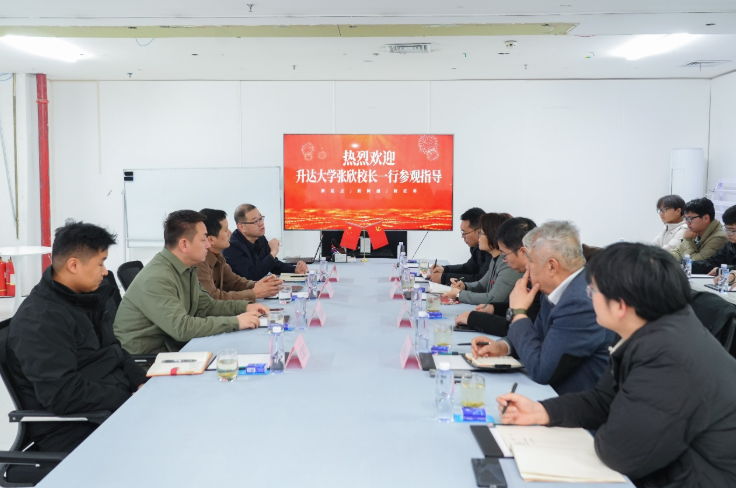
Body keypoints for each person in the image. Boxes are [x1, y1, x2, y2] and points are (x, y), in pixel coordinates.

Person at [496, 243, 736, 488]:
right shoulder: (650, 327)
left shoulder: (669, 357)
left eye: (593, 290)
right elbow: (603, 399)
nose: (589, 296)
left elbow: (620, 452)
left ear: (620, 306)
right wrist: (542, 411)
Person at [7, 222, 147, 453]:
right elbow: (64, 394)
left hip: (109, 412)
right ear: (73, 265)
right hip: (77, 429)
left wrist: (142, 383)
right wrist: (127, 398)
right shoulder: (40, 319)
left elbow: (115, 351)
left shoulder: (84, 300)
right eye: (100, 263)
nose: (105, 272)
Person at [470, 221, 615, 394]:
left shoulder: (581, 302)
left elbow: (542, 370)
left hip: (570, 400)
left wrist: (518, 313)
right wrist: (504, 347)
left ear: (552, 266)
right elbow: (537, 336)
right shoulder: (555, 289)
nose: (527, 267)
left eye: (530, 260)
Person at [114, 210, 268, 355]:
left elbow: (207, 306)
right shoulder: (157, 278)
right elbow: (181, 328)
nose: (208, 245)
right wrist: (235, 322)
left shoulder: (187, 268)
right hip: (150, 360)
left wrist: (245, 307)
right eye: (203, 239)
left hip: (174, 348)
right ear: (184, 245)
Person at [455, 217, 541, 336]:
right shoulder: (530, 276)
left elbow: (520, 326)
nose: (504, 260)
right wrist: (494, 308)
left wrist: (474, 318)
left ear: (523, 252)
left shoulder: (539, 283)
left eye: (504, 254)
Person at [198, 208, 282, 300]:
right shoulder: (199, 262)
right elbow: (212, 298)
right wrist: (254, 293)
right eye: (225, 230)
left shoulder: (218, 256)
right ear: (211, 239)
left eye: (261, 219)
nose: (230, 233)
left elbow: (234, 282)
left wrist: (261, 285)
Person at [443, 213, 522, 305]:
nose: (478, 238)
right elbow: (482, 285)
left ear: (493, 235)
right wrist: (464, 286)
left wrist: (459, 294)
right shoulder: (495, 259)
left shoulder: (508, 263)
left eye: (481, 233)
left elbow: (492, 298)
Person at [222, 204, 308, 280]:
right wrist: (273, 252)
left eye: (261, 218)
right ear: (241, 227)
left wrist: (294, 269)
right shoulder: (231, 246)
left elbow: (273, 264)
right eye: (256, 221)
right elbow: (252, 276)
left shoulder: (260, 238)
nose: (261, 223)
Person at [429, 207, 489, 285]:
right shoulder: (476, 248)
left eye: (465, 233)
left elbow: (480, 280)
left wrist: (443, 278)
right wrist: (444, 269)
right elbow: (467, 268)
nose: (462, 236)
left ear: (479, 232)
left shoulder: (490, 250)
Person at [669, 197, 727, 262]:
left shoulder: (719, 238)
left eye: (690, 218)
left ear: (706, 218)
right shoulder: (695, 232)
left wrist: (687, 240)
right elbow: (677, 252)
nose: (687, 222)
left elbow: (695, 263)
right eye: (686, 219)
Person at [691, 204, 736, 283]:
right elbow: (711, 262)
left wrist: (720, 270)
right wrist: (687, 265)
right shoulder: (729, 245)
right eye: (726, 229)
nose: (728, 234)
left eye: (732, 230)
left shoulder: (720, 238)